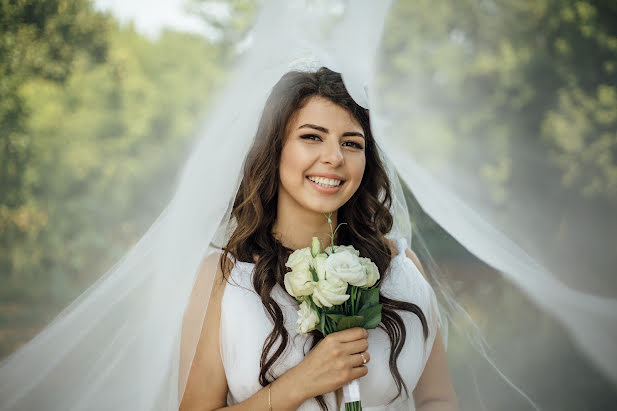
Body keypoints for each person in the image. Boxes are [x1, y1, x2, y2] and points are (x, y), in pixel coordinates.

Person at [179, 68, 459, 410]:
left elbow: (437, 399)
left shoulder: (401, 267)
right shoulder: (223, 277)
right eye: (312, 136)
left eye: (351, 143)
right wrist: (298, 383)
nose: (335, 157)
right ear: (275, 148)